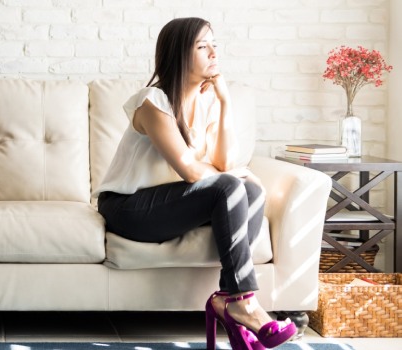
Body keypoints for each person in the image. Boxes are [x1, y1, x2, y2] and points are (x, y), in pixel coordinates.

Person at [94, 18, 296, 350]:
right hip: (128, 208)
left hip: (171, 205)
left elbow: (222, 165)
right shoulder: (152, 101)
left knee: (252, 191)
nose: (214, 52)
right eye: (202, 46)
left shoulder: (204, 103)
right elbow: (190, 170)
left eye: (214, 44)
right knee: (231, 185)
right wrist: (232, 176)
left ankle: (229, 301)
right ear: (178, 55)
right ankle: (244, 305)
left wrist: (225, 102)